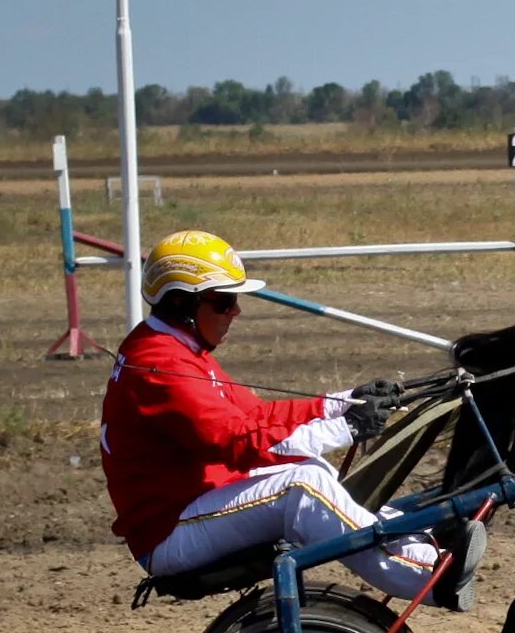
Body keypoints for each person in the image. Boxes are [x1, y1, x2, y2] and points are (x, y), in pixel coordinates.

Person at [101, 229, 488, 611]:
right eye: (223, 301)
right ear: (183, 305)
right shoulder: (160, 365)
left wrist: (343, 402)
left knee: (308, 467)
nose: (235, 310)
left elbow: (255, 415)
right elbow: (236, 442)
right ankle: (431, 579)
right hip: (170, 534)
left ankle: (422, 542)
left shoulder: (173, 347)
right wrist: (346, 427)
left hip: (190, 509)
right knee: (302, 487)